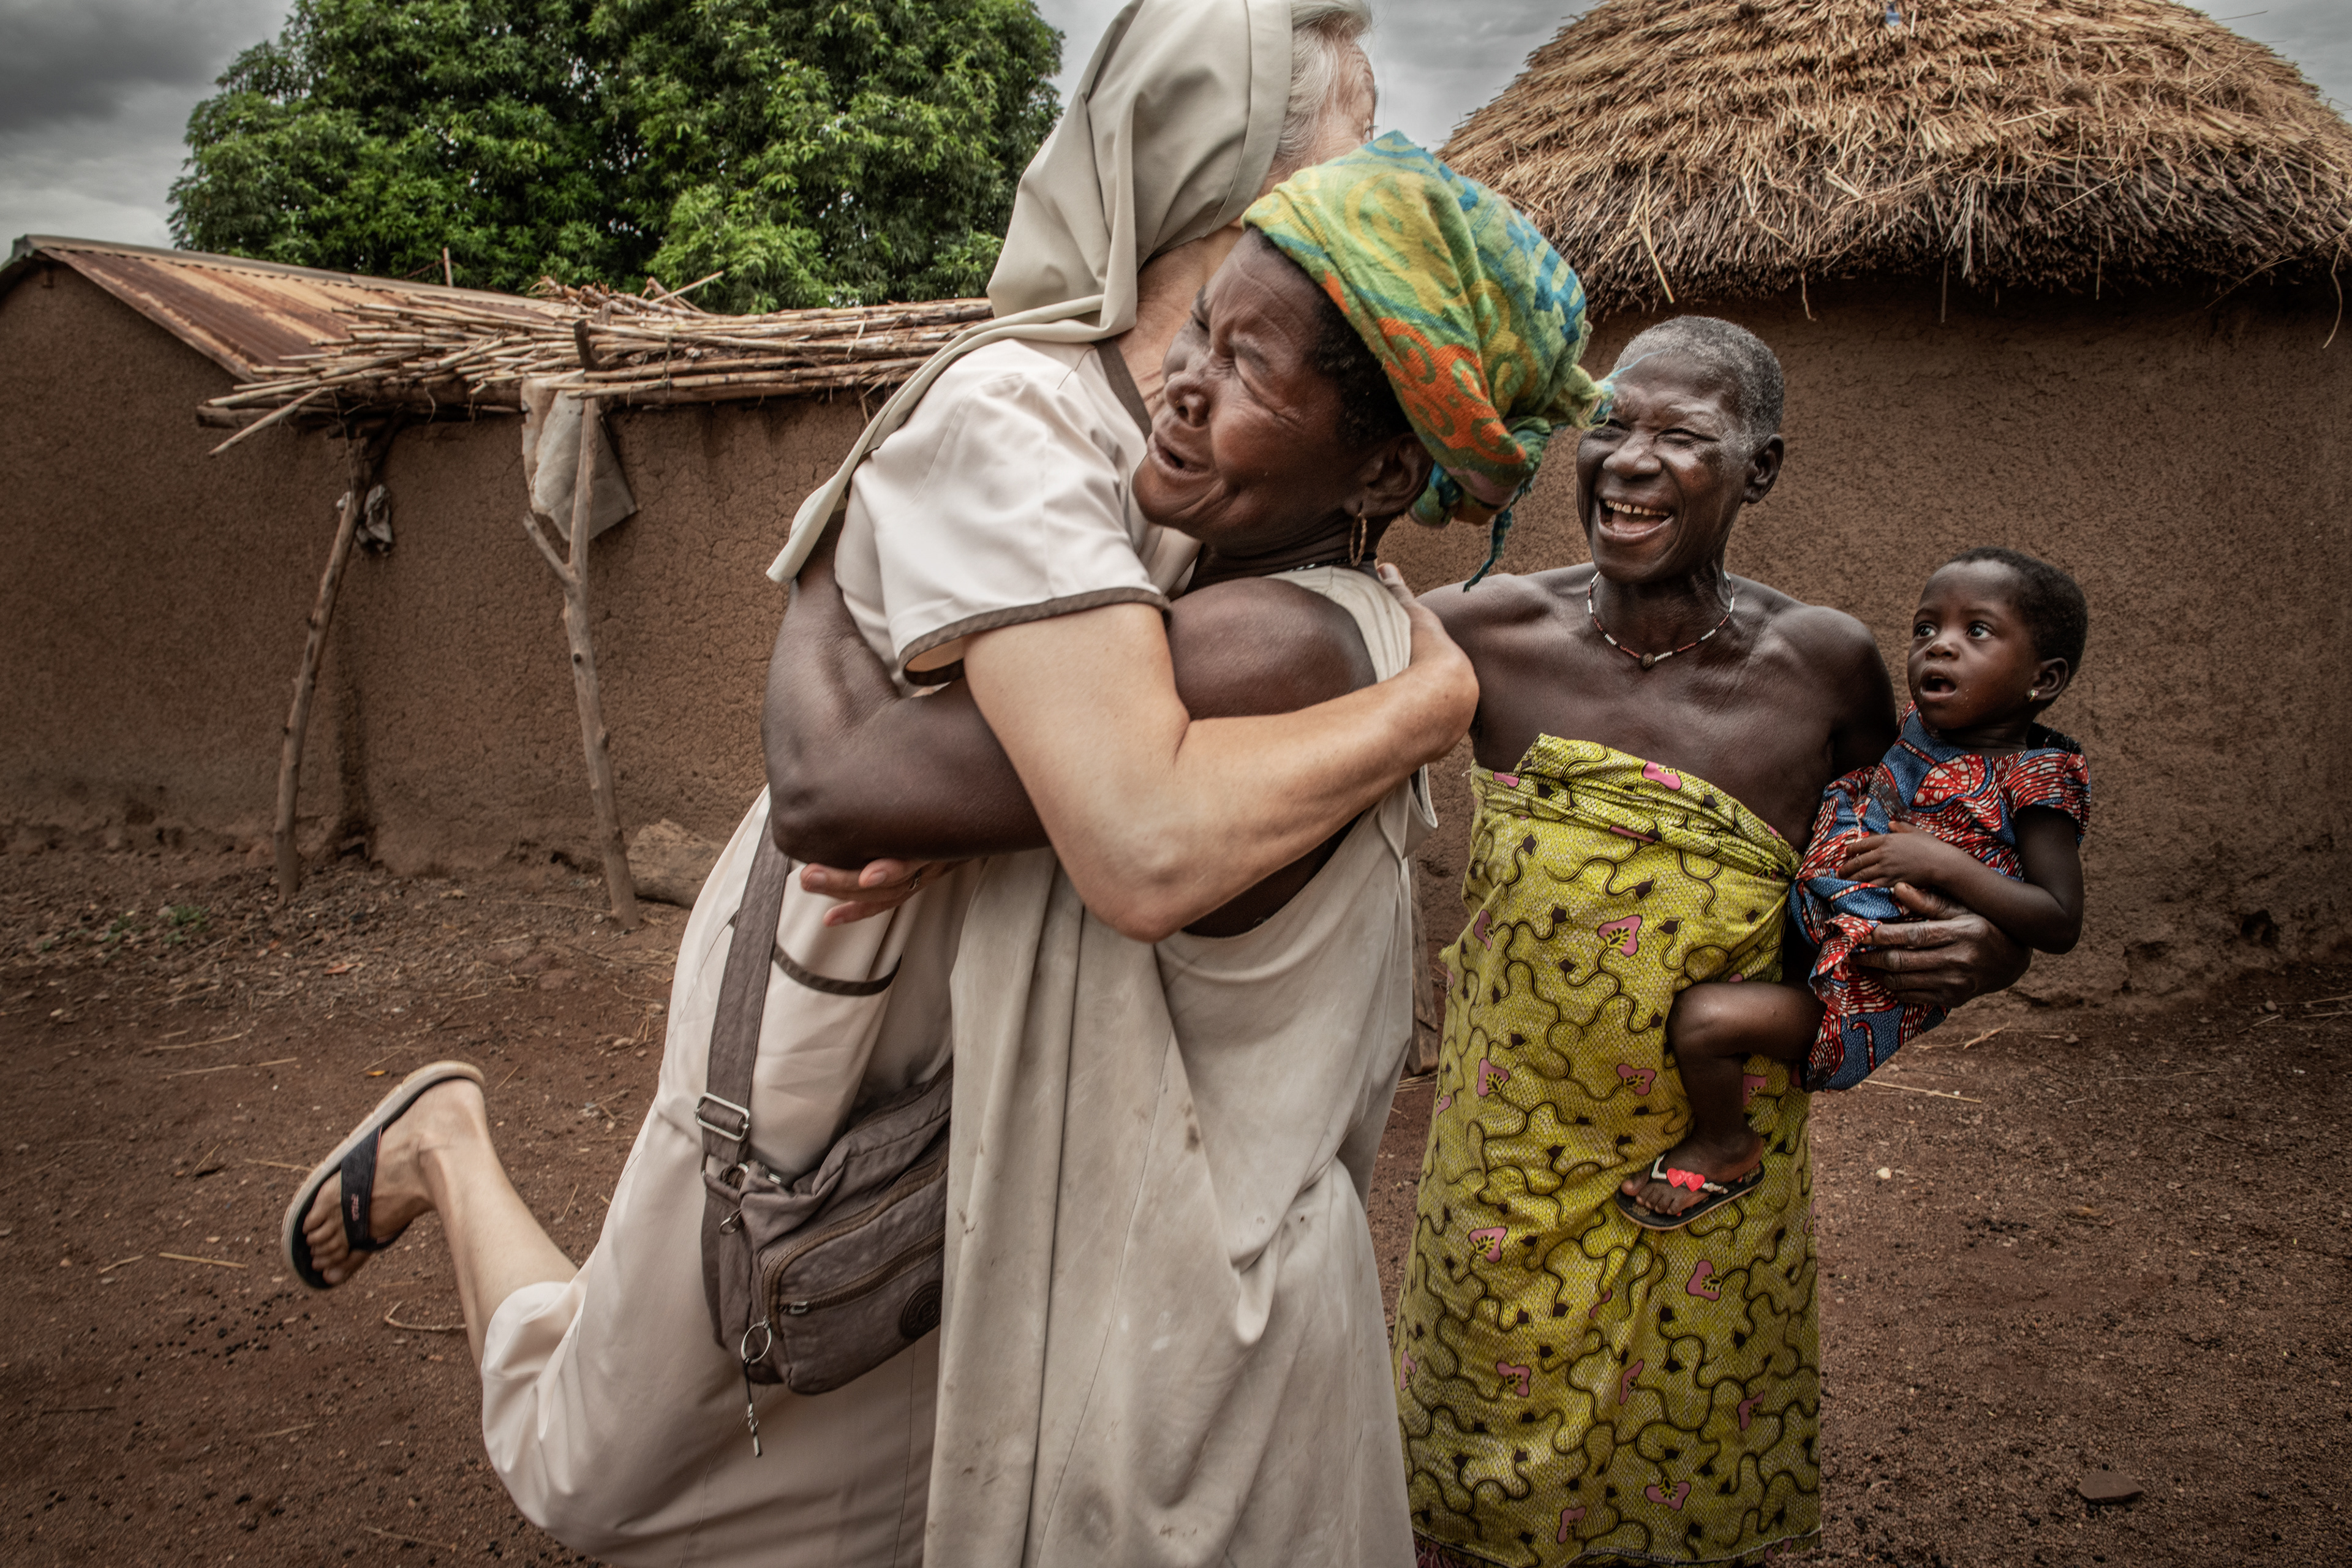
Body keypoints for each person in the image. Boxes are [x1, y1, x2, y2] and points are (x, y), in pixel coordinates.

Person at [273, 6, 1461, 1566]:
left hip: (1026, 1000)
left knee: (908, 1427)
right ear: (1220, 163)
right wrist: (1425, 695)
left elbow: (1170, 701)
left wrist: (999, 782)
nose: (1380, 159)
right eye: (1348, 124)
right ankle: (449, 1141)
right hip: (847, 978)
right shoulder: (1023, 417)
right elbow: (1115, 810)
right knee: (613, 1456)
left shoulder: (1237, 420)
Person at [771, 134, 1600, 1567]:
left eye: (1254, 367)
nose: (1183, 383)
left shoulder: (1260, 645)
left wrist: (831, 554)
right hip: (1217, 1310)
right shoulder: (1338, 623)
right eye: (1202, 330)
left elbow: (836, 787)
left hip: (1178, 1370)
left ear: (1384, 461)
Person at [1391, 315, 2034, 1567]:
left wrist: (1982, 951)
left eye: (1681, 436)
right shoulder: (1479, 633)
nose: (1627, 461)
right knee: (1474, 1470)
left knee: (1685, 1455)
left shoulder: (1826, 665)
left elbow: (1899, 879)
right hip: (1507, 1157)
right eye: (1610, 425)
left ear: (1762, 467)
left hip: (1718, 1152)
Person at [1625, 548, 2090, 1227]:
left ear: (2043, 679)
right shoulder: (1913, 733)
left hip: (1859, 985)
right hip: (1814, 925)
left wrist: (1942, 865)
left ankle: (1727, 1142)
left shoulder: (2036, 781)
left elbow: (2058, 919)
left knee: (1702, 1022)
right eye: (1926, 629)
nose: (1941, 648)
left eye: (1977, 632)